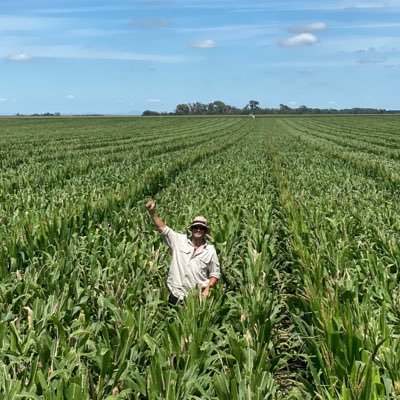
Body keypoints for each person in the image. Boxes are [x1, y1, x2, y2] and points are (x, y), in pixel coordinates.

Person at [145, 199, 220, 305]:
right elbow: (162, 228)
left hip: (195, 298)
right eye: (195, 227)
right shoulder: (179, 240)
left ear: (205, 231)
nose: (198, 230)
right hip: (175, 294)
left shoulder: (210, 250)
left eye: (201, 228)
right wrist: (152, 212)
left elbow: (215, 273)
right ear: (191, 229)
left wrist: (208, 288)